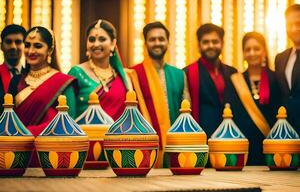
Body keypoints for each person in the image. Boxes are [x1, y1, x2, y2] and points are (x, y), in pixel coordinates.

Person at [131, 21, 190, 168]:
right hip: (145, 147)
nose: (157, 43)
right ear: (145, 43)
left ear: (168, 42)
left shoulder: (179, 74)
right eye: (152, 39)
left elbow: (187, 112)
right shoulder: (133, 74)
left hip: (175, 147)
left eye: (161, 39)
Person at [68, 19, 149, 121]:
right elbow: (68, 118)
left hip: (118, 136)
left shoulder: (124, 77)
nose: (96, 44)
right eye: (92, 39)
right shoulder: (77, 73)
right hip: (86, 135)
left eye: (102, 39)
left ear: (113, 43)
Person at [14, 26, 77, 136]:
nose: (31, 51)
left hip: (50, 148)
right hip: (18, 148)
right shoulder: (16, 81)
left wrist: (32, 132)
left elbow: (70, 123)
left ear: (50, 50)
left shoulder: (63, 82)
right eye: (27, 45)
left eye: (38, 46)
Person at [230, 32, 280, 165]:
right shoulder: (235, 81)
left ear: (264, 51)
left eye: (256, 48)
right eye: (248, 49)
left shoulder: (276, 79)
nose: (252, 53)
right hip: (244, 147)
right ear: (243, 53)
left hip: (271, 146)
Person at [184, 23, 237, 137]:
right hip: (200, 137)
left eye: (215, 41)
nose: (211, 45)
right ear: (199, 45)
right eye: (206, 42)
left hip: (229, 136)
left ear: (222, 44)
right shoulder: (187, 73)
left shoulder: (233, 73)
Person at [275, 4, 300, 134]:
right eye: (289, 24)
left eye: (298, 23)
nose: (294, 28)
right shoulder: (280, 58)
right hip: (287, 132)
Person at [0, 24, 26, 114]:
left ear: (24, 46)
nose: (13, 47)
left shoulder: (31, 77)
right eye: (8, 42)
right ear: (1, 46)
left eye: (18, 42)